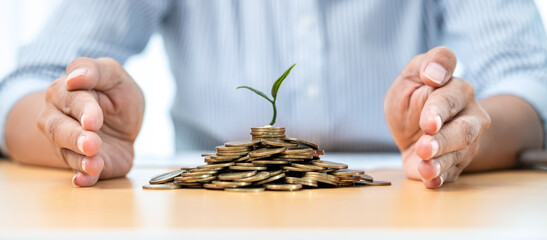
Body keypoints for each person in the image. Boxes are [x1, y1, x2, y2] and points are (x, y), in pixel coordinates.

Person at [0, 0, 545, 188]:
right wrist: (79, 128)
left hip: (415, 201)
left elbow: (531, 82)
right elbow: (28, 85)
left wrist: (452, 134)